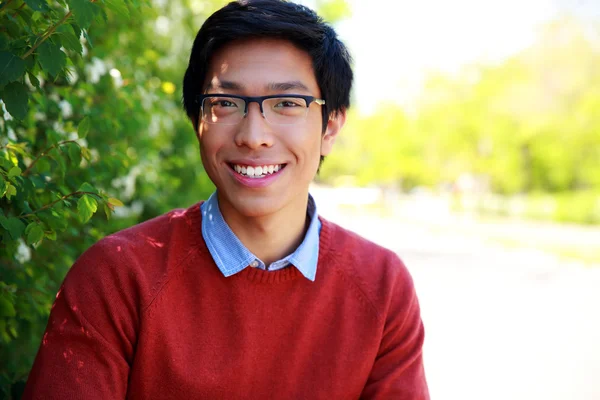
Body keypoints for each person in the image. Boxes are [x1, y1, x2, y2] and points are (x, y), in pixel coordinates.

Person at [23, 0, 430, 398]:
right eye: (225, 103)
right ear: (197, 120)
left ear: (330, 126)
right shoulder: (117, 277)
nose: (253, 136)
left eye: (287, 103)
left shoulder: (381, 286)